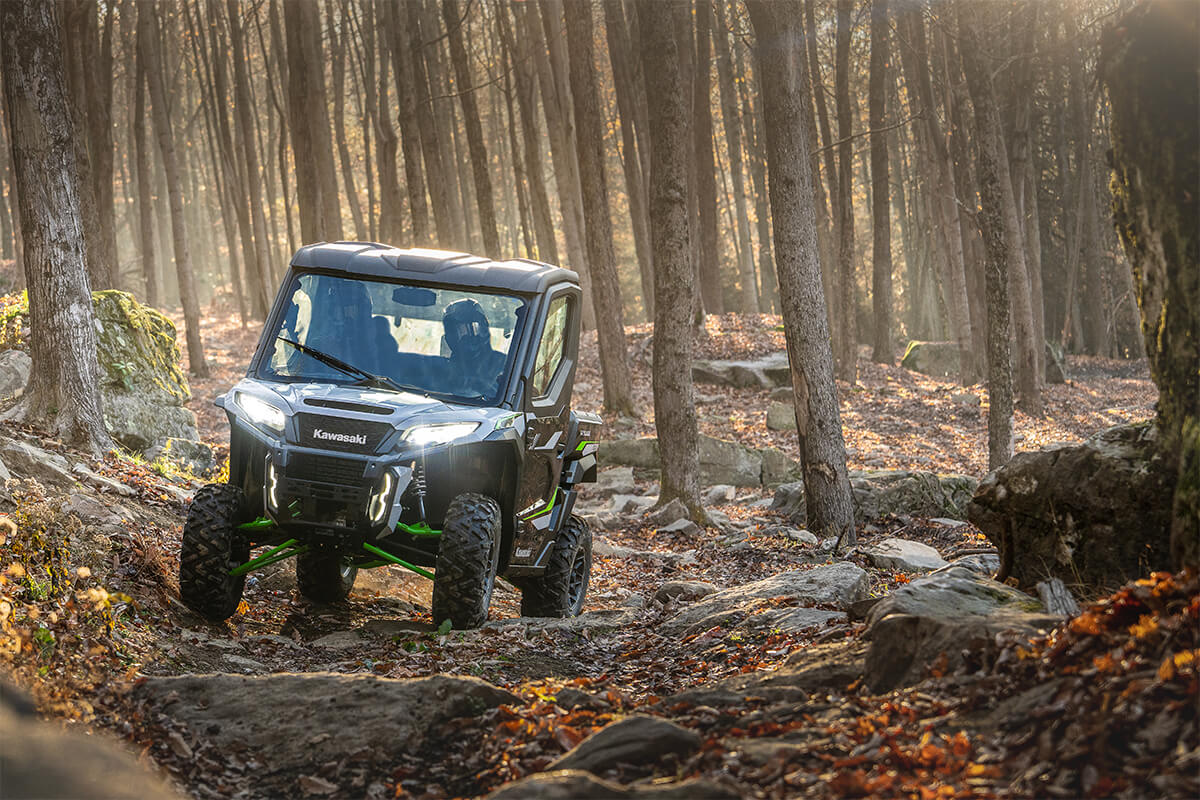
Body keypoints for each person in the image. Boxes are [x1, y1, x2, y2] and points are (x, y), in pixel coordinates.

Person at [442, 298, 506, 398]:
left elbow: (528, 397)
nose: (466, 337)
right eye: (456, 331)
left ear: (484, 330)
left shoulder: (504, 365)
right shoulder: (441, 370)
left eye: (473, 328)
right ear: (449, 336)